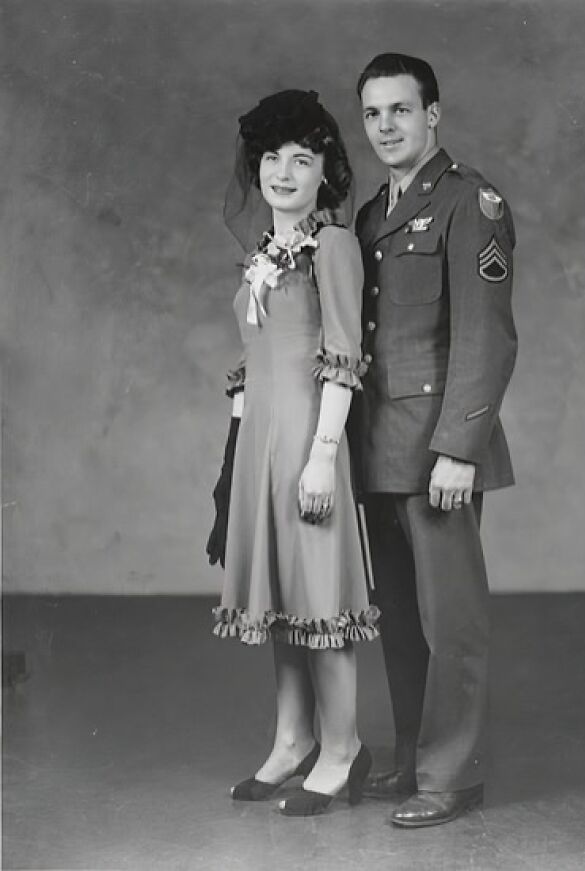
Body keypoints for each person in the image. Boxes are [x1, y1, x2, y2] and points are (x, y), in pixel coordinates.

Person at [353, 53, 518, 828]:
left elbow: (486, 336)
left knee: (450, 621)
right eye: (373, 113)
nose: (386, 126)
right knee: (399, 617)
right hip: (381, 450)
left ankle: (452, 774)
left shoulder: (469, 203)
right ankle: (414, 756)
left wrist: (460, 447)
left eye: (400, 110)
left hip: (437, 452)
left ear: (433, 114)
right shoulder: (371, 215)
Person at [209, 89, 377, 817]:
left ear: (323, 172)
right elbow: (254, 363)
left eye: (301, 159)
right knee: (282, 601)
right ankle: (291, 740)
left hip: (310, 443)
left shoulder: (332, 246)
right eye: (272, 158)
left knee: (320, 599)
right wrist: (232, 467)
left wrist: (322, 456)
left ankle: (342, 749)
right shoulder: (263, 257)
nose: (283, 172)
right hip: (261, 449)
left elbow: (343, 353)